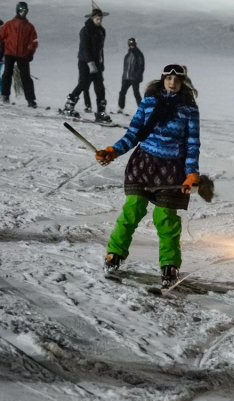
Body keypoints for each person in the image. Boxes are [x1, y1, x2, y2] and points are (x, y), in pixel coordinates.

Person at [95, 64, 200, 288]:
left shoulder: (189, 109)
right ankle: (114, 254)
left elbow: (192, 144)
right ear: (163, 79)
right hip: (144, 164)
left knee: (166, 219)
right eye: (168, 78)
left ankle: (169, 266)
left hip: (172, 170)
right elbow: (133, 133)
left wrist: (191, 173)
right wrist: (113, 151)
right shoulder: (148, 102)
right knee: (132, 209)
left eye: (177, 79)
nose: (172, 82)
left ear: (183, 83)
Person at [61, 3, 111, 123]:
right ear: (92, 18)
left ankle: (101, 112)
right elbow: (85, 48)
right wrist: (90, 63)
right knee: (83, 83)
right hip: (85, 62)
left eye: (100, 19)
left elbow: (100, 49)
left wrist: (101, 62)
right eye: (97, 19)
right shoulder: (85, 30)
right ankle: (69, 105)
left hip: (96, 63)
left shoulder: (101, 31)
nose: (99, 21)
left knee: (100, 87)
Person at [0, 1, 38, 106]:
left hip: (23, 54)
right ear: (17, 10)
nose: (23, 12)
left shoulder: (29, 26)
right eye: (21, 10)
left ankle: (30, 100)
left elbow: (34, 41)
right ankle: (5, 95)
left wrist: (31, 52)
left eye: (25, 10)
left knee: (25, 76)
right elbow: (0, 36)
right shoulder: (9, 24)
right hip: (10, 52)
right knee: (7, 74)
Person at [117, 37, 145, 113]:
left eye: (133, 44)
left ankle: (142, 110)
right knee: (122, 92)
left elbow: (141, 67)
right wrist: (123, 77)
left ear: (135, 44)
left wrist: (137, 76)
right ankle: (120, 108)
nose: (131, 45)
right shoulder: (127, 55)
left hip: (134, 78)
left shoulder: (139, 54)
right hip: (126, 78)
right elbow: (125, 68)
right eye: (130, 44)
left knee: (136, 93)